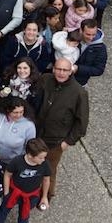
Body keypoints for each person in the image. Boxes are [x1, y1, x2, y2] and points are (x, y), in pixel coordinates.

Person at [36, 57, 89, 200]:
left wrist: (68, 141)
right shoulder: (45, 79)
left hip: (56, 140)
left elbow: (82, 123)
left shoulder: (79, 93)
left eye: (65, 70)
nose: (61, 73)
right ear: (53, 69)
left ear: (70, 71)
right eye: (58, 69)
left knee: (49, 170)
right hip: (37, 135)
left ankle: (47, 196)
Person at [0, 138, 52, 223]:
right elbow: (7, 174)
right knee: (4, 210)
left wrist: (44, 196)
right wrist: (6, 192)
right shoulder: (17, 161)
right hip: (13, 192)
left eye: (44, 157)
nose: (43, 160)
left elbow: (46, 180)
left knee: (24, 214)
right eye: (41, 157)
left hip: (31, 195)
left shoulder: (45, 164)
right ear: (30, 156)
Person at [0, 96, 36, 166]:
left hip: (11, 163)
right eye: (15, 112)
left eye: (21, 112)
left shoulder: (29, 126)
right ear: (8, 110)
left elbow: (29, 146)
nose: (19, 115)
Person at [73, 19, 107, 86]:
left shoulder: (101, 48)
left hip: (79, 81)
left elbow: (99, 70)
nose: (91, 38)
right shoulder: (72, 36)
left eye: (93, 34)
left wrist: (78, 69)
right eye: (88, 34)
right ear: (81, 30)